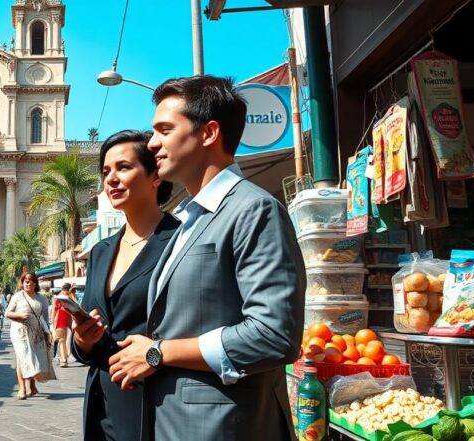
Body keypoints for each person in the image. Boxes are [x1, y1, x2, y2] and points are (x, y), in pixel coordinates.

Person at [103, 76, 306, 441]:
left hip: (223, 428)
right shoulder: (188, 219)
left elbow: (274, 334)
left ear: (209, 133)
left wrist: (158, 354)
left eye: (165, 130)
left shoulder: (253, 210)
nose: (152, 144)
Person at [71, 130, 180, 441]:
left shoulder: (181, 241)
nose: (111, 180)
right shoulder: (100, 251)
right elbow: (90, 342)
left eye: (124, 168)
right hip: (102, 407)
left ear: (155, 176)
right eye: (106, 172)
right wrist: (83, 340)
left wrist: (156, 354)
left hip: (156, 404)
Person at [4, 271, 55, 400]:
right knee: (23, 357)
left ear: (35, 283)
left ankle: (32, 385)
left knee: (33, 358)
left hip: (36, 332)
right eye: (25, 280)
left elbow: (44, 317)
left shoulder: (42, 298)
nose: (28, 282)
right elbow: (7, 313)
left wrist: (47, 333)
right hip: (19, 332)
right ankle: (22, 387)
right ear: (22, 283)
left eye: (30, 280)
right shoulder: (17, 296)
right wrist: (20, 316)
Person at [51, 282, 74, 367]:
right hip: (60, 319)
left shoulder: (70, 297)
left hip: (69, 320)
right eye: (65, 290)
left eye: (67, 290)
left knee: (68, 340)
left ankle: (65, 357)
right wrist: (52, 321)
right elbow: (54, 309)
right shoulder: (57, 298)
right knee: (61, 340)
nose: (66, 292)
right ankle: (63, 360)